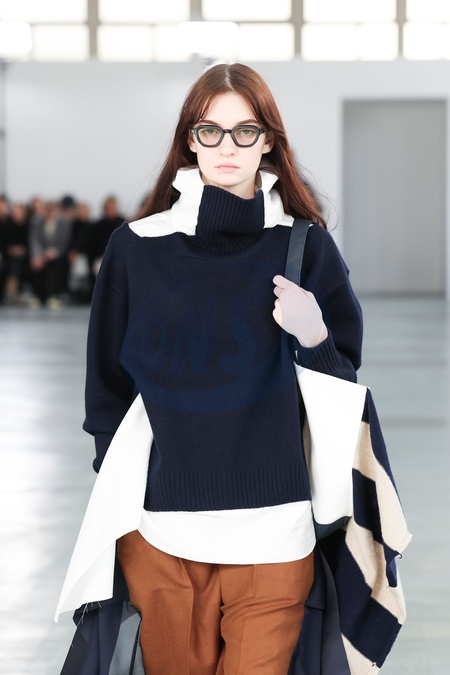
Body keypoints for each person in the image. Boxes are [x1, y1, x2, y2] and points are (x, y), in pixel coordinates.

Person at [81, 62, 363, 674]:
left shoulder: (305, 246)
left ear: (268, 141)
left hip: (274, 528)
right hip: (159, 532)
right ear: (190, 139)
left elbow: (345, 387)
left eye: (245, 131)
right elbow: (107, 386)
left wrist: (314, 334)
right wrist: (117, 485)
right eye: (210, 131)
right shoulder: (136, 246)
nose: (227, 147)